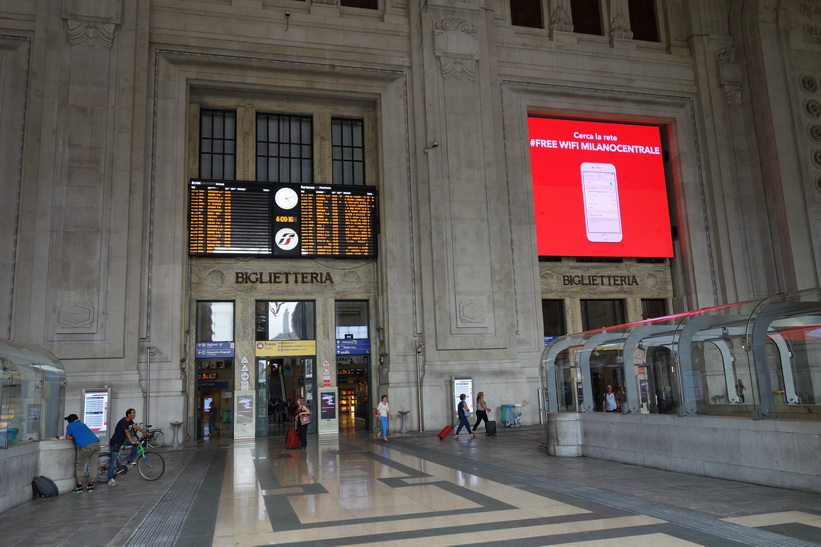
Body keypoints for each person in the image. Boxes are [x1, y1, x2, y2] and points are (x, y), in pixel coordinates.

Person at [107, 408, 149, 486]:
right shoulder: (123, 422)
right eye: (133, 414)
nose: (135, 415)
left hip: (122, 441)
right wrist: (132, 441)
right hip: (116, 442)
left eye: (135, 413)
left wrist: (145, 433)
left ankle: (130, 460)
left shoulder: (129, 421)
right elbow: (127, 432)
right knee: (112, 461)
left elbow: (137, 427)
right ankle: (110, 479)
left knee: (135, 445)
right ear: (129, 415)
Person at [64, 414, 100, 493]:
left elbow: (67, 437)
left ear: (70, 421)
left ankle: (79, 486)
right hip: (96, 443)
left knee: (79, 465)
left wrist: (74, 436)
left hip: (86, 446)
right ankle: (90, 485)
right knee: (93, 464)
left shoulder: (70, 426)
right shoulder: (83, 424)